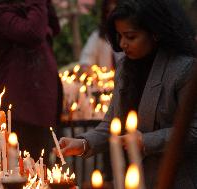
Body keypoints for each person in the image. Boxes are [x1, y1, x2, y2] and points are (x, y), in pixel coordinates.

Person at [56, 0, 197, 188]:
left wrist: (146, 141)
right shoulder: (125, 67)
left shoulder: (184, 69)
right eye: (119, 36)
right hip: (134, 178)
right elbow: (111, 124)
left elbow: (193, 130)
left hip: (176, 179)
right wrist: (83, 144)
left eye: (130, 37)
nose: (122, 44)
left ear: (154, 33)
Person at [0, 0, 62, 160]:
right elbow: (33, 33)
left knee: (43, 169)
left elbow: (55, 26)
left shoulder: (29, 7)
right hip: (20, 110)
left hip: (40, 106)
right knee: (24, 171)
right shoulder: (0, 12)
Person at [79, 0, 123, 70]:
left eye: (114, 11)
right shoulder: (97, 36)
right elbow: (86, 61)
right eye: (108, 11)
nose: (112, 15)